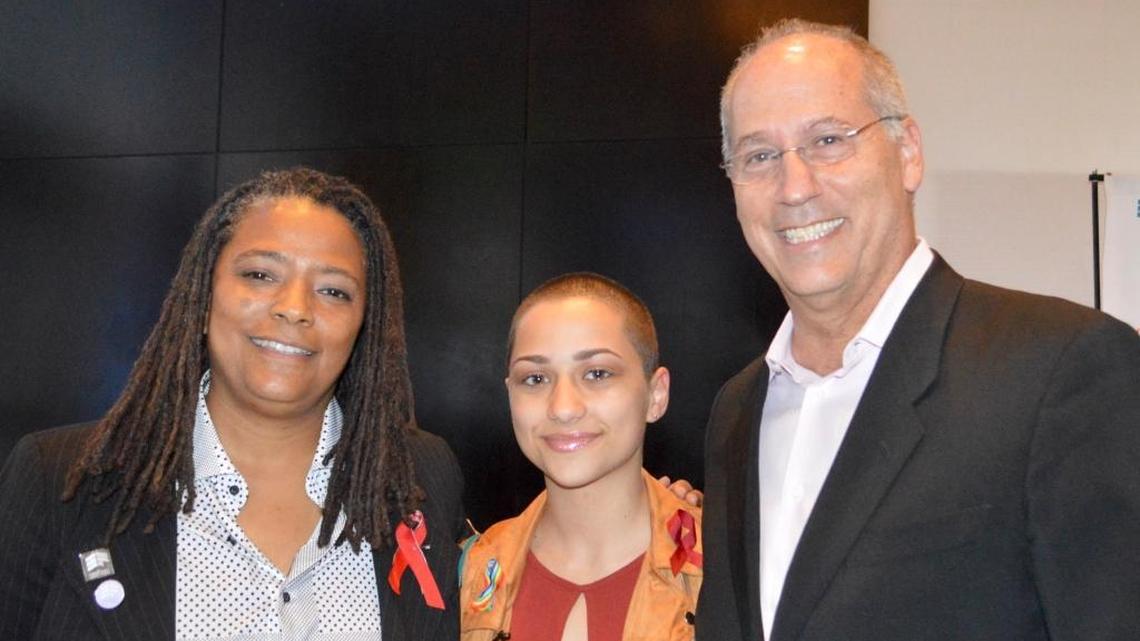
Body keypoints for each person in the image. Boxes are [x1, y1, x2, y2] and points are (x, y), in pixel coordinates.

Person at [697, 18, 1140, 641]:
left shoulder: (1062, 370)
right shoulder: (737, 409)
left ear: (908, 153)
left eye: (828, 140)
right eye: (760, 155)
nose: (794, 187)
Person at [0, 168, 464, 640]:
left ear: (365, 324)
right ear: (202, 297)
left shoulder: (421, 474)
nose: (295, 307)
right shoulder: (59, 480)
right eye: (260, 275)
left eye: (333, 291)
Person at [459, 273, 703, 641]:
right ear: (510, 395)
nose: (563, 407)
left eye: (597, 373)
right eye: (536, 379)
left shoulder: (729, 567)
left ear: (656, 394)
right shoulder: (470, 572)